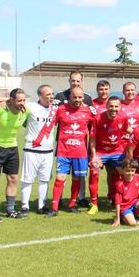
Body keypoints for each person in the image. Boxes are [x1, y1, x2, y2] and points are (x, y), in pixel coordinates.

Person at [48, 87, 93, 217]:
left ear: (83, 98)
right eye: (75, 97)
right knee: (60, 178)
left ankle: (72, 205)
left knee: (77, 179)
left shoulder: (89, 112)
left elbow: (95, 129)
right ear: (69, 97)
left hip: (80, 152)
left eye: (80, 97)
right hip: (63, 151)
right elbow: (49, 125)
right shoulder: (60, 110)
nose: (77, 99)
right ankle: (54, 208)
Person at [0, 87, 28, 220]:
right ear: (12, 100)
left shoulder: (25, 111)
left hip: (12, 148)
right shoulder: (0, 110)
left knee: (13, 179)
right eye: (19, 101)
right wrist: (0, 100)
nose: (22, 103)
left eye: (24, 100)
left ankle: (10, 210)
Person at [88, 96, 130, 214]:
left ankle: (117, 199)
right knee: (94, 171)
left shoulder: (124, 118)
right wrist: (94, 156)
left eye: (116, 106)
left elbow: (128, 132)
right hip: (101, 152)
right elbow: (92, 139)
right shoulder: (98, 118)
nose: (113, 109)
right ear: (106, 106)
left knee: (122, 173)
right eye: (111, 106)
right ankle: (94, 204)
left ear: (120, 107)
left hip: (117, 152)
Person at [20, 85, 57, 215]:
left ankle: (42, 205)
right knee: (27, 180)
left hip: (48, 152)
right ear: (40, 96)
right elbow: (20, 119)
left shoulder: (55, 109)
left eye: (52, 94)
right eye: (48, 95)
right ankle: (24, 206)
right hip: (31, 150)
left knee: (45, 180)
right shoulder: (30, 107)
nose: (51, 97)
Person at [111, 158, 139, 227]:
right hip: (125, 207)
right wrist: (117, 219)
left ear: (135, 170)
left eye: (132, 171)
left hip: (134, 204)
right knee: (133, 224)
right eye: (127, 171)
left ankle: (135, 215)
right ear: (123, 170)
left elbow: (138, 190)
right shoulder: (120, 184)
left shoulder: (137, 177)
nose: (130, 173)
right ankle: (122, 217)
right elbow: (118, 203)